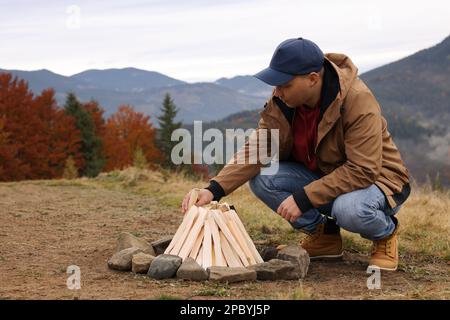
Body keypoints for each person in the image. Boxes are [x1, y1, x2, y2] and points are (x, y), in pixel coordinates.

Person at [181, 37, 410, 271]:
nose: (277, 91)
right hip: (326, 177)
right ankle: (326, 237)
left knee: (349, 210)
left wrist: (304, 197)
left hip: (379, 184)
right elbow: (259, 148)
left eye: (285, 84)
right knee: (264, 178)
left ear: (312, 79)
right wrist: (213, 190)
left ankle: (385, 234)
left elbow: (363, 169)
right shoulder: (282, 102)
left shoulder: (357, 100)